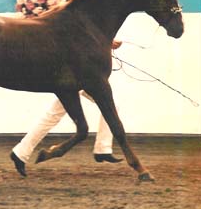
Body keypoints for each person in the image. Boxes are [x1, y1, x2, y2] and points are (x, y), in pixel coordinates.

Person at [10, 40, 123, 177]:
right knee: (54, 115)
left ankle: (103, 148)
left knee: (53, 115)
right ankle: (102, 149)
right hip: (71, 76)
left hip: (75, 74)